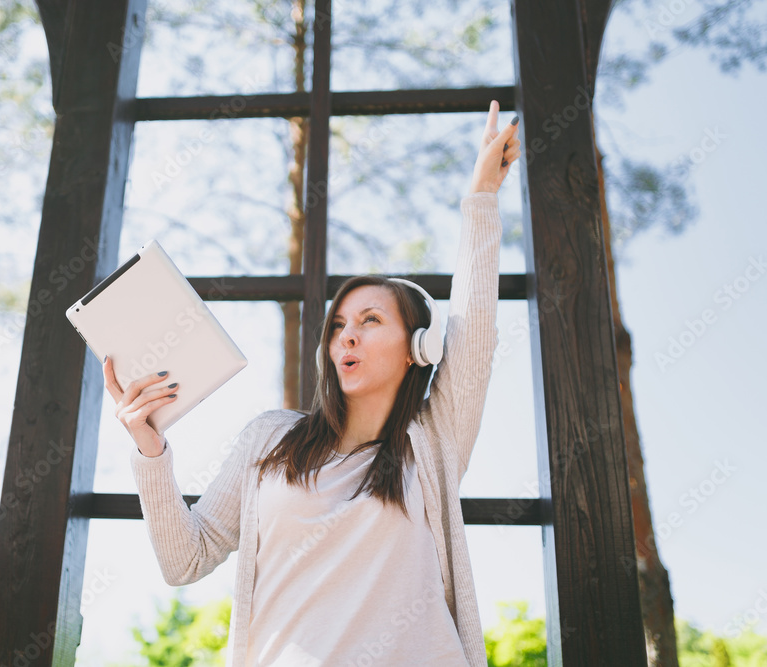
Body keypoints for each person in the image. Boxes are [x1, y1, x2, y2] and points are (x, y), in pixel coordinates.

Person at [101, 100, 520, 667]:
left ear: (418, 348)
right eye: (340, 325)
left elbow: (475, 333)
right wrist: (150, 448)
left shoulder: (432, 442)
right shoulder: (271, 439)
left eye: (371, 321)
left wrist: (481, 199)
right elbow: (186, 561)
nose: (347, 336)